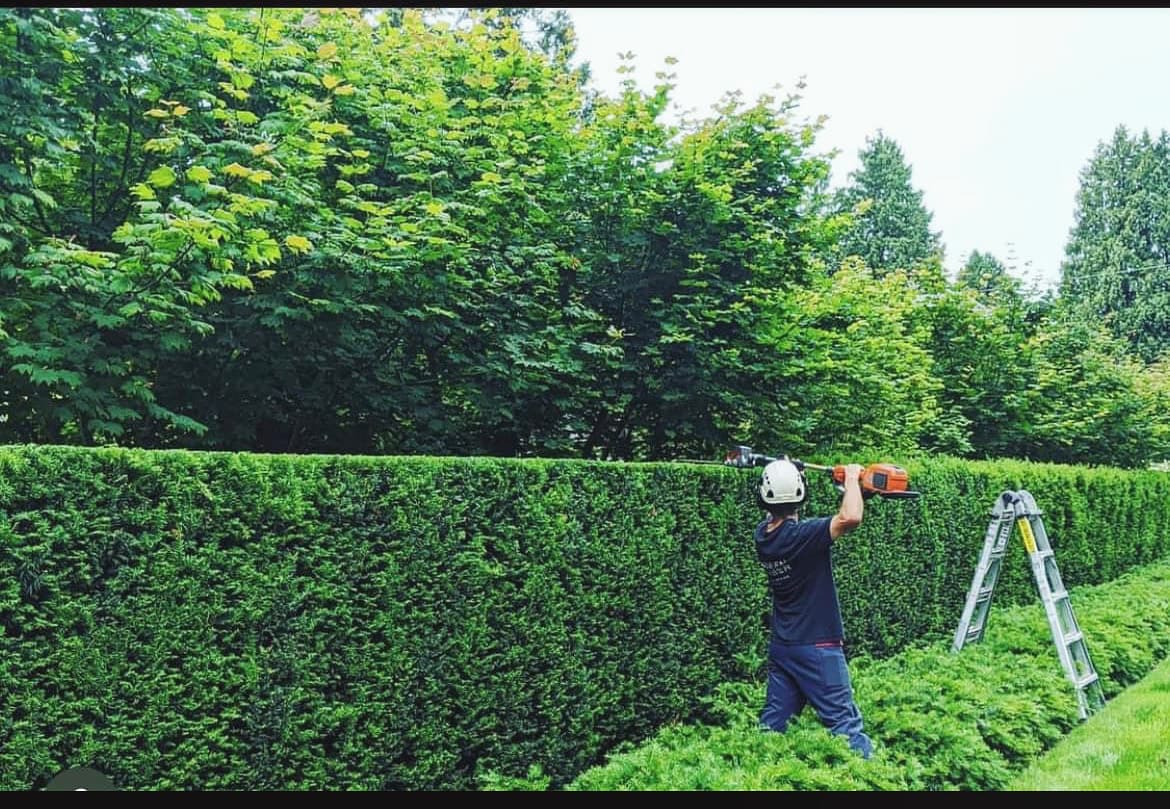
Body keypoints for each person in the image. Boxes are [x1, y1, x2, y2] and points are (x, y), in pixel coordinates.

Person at [753, 456, 873, 758]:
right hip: (818, 647)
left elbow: (786, 513)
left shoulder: (763, 537)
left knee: (773, 727)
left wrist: (794, 474)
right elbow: (850, 517)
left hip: (784, 646)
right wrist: (851, 479)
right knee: (846, 726)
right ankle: (871, 777)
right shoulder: (802, 536)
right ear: (801, 494)